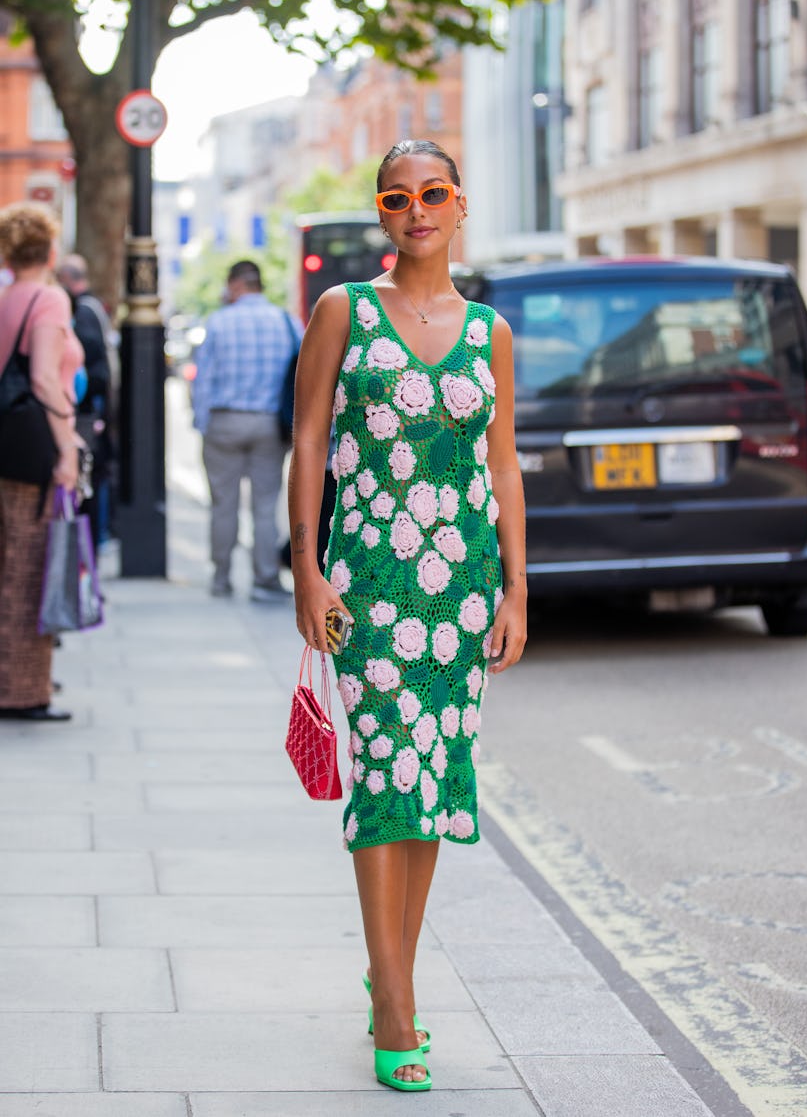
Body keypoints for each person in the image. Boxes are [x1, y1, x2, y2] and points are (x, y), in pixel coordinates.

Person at [288, 139, 528, 1092]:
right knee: (387, 770)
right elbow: (308, 440)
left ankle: (395, 969)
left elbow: (501, 463)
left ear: (460, 203)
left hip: (461, 586)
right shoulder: (343, 312)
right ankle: (395, 1003)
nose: (417, 208)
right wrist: (309, 569)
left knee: (431, 781)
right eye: (399, 196)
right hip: (373, 582)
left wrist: (516, 587)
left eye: (433, 193)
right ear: (382, 212)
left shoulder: (489, 332)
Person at [0, 202, 83, 721]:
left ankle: (13, 678)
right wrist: (68, 449)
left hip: (7, 446)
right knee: (34, 568)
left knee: (10, 566)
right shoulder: (49, 299)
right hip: (37, 447)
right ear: (51, 251)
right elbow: (45, 380)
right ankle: (25, 690)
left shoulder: (6, 297)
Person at [192, 259, 302, 601]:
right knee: (265, 504)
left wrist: (203, 424)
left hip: (225, 421)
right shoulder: (287, 322)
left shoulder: (218, 322)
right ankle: (264, 578)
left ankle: (221, 577)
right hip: (269, 424)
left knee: (223, 503)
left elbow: (203, 381)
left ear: (236, 284)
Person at [56, 253, 114, 547]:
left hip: (82, 411)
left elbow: (92, 371)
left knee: (86, 478)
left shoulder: (85, 312)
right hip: (78, 409)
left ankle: (91, 540)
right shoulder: (89, 309)